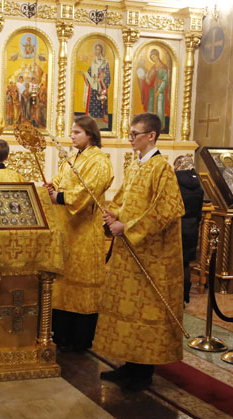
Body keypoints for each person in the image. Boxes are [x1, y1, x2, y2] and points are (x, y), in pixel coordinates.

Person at [94, 112, 184, 392]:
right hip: (128, 252)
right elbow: (124, 199)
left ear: (151, 136)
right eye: (130, 133)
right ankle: (130, 366)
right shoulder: (136, 166)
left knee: (146, 312)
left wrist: (127, 227)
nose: (130, 138)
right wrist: (113, 215)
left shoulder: (162, 169)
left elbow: (167, 210)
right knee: (128, 310)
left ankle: (143, 372)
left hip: (151, 255)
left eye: (135, 134)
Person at [44, 115, 114, 352]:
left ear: (90, 135)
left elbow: (89, 190)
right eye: (72, 132)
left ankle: (80, 338)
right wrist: (52, 186)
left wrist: (60, 197)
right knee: (63, 285)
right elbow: (61, 178)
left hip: (84, 232)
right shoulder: (72, 157)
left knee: (82, 283)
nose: (72, 136)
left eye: (76, 133)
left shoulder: (100, 161)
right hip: (66, 230)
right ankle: (61, 334)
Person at [173, 155, 204, 304]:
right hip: (192, 226)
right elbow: (199, 211)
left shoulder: (174, 182)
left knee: (173, 263)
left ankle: (174, 297)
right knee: (186, 263)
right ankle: (185, 296)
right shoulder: (198, 184)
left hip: (177, 226)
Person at [139, 49, 170, 132]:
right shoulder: (153, 67)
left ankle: (159, 128)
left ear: (157, 56)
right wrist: (145, 76)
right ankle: (150, 127)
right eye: (152, 57)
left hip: (160, 90)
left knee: (160, 108)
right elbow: (149, 80)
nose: (153, 58)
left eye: (154, 56)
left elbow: (165, 80)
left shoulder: (163, 67)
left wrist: (160, 90)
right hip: (152, 91)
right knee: (151, 108)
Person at [83, 42, 111, 128]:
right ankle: (91, 123)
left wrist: (102, 81)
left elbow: (108, 75)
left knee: (100, 104)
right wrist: (85, 75)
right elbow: (89, 73)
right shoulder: (93, 62)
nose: (96, 51)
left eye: (98, 49)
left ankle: (101, 123)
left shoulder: (105, 62)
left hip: (101, 87)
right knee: (93, 104)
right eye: (96, 49)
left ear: (101, 50)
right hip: (93, 86)